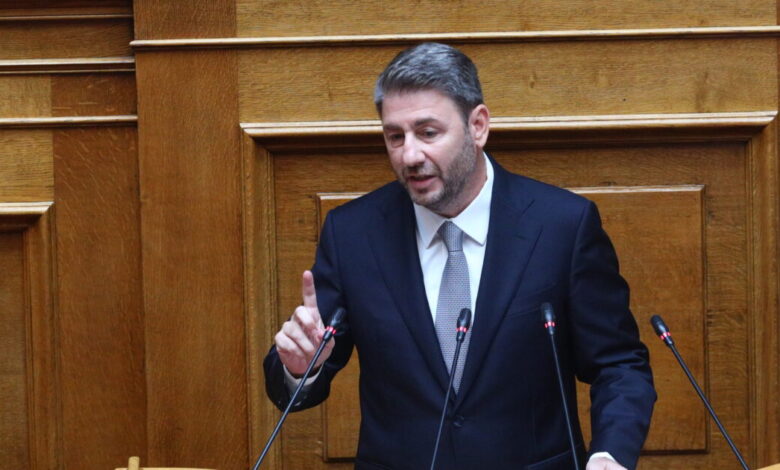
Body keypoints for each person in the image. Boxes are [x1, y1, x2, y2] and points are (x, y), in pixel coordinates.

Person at [264, 42, 656, 470]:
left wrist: (609, 455)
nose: (410, 155)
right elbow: (303, 369)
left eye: (428, 133)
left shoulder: (562, 226)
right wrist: (300, 369)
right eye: (395, 137)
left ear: (478, 126)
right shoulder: (353, 234)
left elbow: (619, 364)